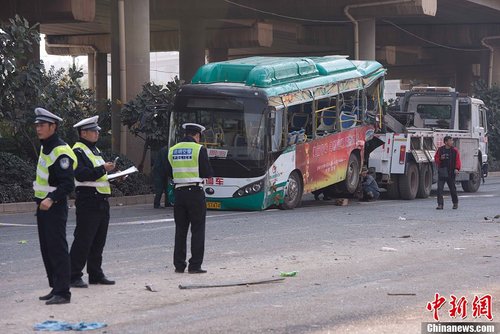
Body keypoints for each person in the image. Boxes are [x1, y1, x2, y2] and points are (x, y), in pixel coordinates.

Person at [33, 107, 77, 305]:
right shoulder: (46, 146)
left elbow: (67, 184)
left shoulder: (60, 150)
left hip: (54, 206)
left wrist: (51, 199)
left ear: (53, 126)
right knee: (47, 248)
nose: (38, 129)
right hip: (43, 206)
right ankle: (55, 287)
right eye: (37, 125)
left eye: (42, 125)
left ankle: (63, 292)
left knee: (57, 248)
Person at [69, 116, 116, 288]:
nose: (97, 133)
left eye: (97, 131)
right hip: (88, 200)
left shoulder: (95, 151)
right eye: (94, 131)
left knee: (98, 241)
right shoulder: (77, 151)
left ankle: (95, 274)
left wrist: (116, 176)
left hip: (101, 200)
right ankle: (73, 275)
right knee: (83, 240)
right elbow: (81, 174)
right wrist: (103, 168)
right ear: (83, 133)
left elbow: (99, 176)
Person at [167, 123, 213, 274]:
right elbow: (207, 173)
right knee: (197, 229)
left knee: (180, 230)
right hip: (195, 192)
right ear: (197, 135)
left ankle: (179, 265)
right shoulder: (199, 149)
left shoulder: (172, 150)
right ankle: (195, 266)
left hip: (179, 193)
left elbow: (168, 172)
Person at [435, 136, 461, 210]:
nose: (452, 142)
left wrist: (457, 168)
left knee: (452, 189)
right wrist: (440, 158)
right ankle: (440, 204)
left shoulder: (455, 150)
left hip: (451, 173)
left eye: (452, 141)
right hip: (442, 172)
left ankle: (455, 203)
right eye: (450, 141)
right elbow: (436, 159)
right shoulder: (440, 150)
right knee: (439, 189)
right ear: (446, 142)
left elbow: (458, 160)